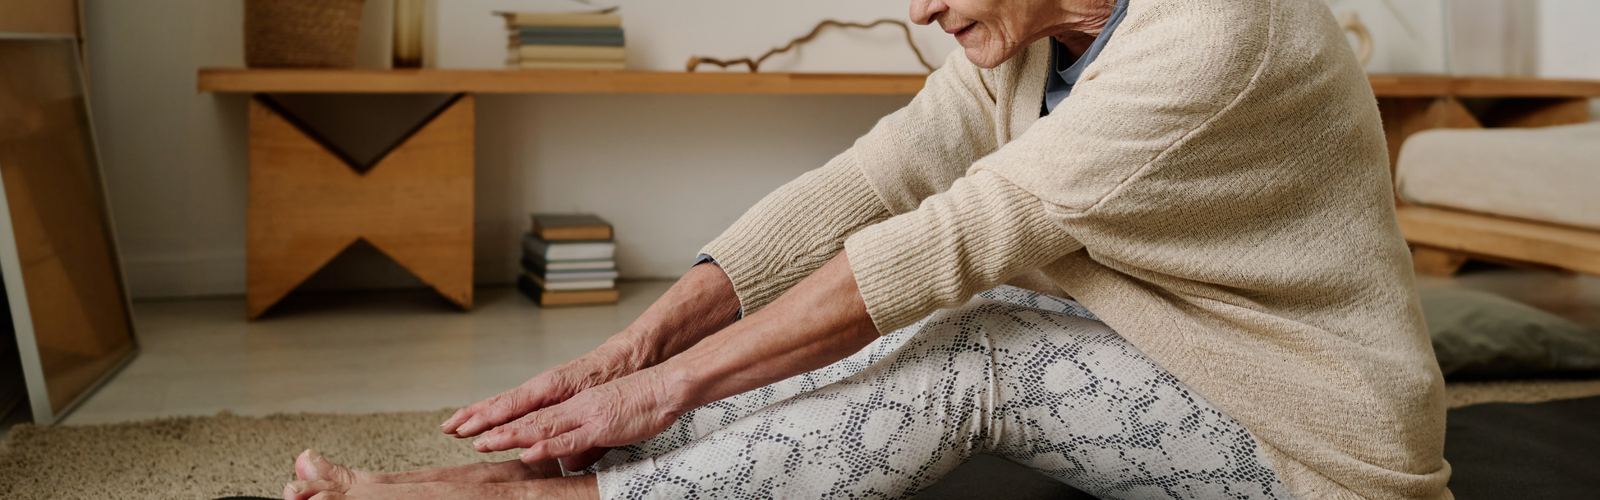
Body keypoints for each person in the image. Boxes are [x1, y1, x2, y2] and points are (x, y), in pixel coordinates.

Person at [283, 0, 1452, 498]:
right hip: (1167, 347)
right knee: (891, 328)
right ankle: (525, 475)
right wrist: (623, 355)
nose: (918, 8)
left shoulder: (1216, 35)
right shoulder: (1034, 37)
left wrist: (667, 385)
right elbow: (867, 182)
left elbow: (952, 238)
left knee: (971, 346)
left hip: (1318, 444)